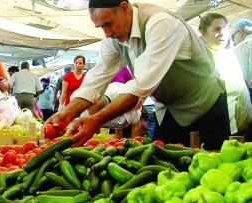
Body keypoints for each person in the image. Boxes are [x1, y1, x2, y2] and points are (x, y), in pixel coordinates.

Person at [46, 0, 229, 150]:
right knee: (163, 169)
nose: (107, 33)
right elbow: (96, 78)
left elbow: (140, 86)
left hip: (205, 107)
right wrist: (67, 113)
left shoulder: (161, 23)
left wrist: (96, 120)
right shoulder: (114, 37)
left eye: (108, 24)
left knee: (210, 167)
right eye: (101, 27)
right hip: (169, 111)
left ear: (125, 8)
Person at [199, 13, 252, 136]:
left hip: (240, 127)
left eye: (225, 29)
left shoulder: (229, 55)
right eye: (216, 29)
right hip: (216, 130)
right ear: (203, 33)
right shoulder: (201, 59)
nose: (223, 33)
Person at [232, 19, 252, 97]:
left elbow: (243, 77)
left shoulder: (242, 46)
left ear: (240, 32)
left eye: (233, 37)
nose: (233, 42)